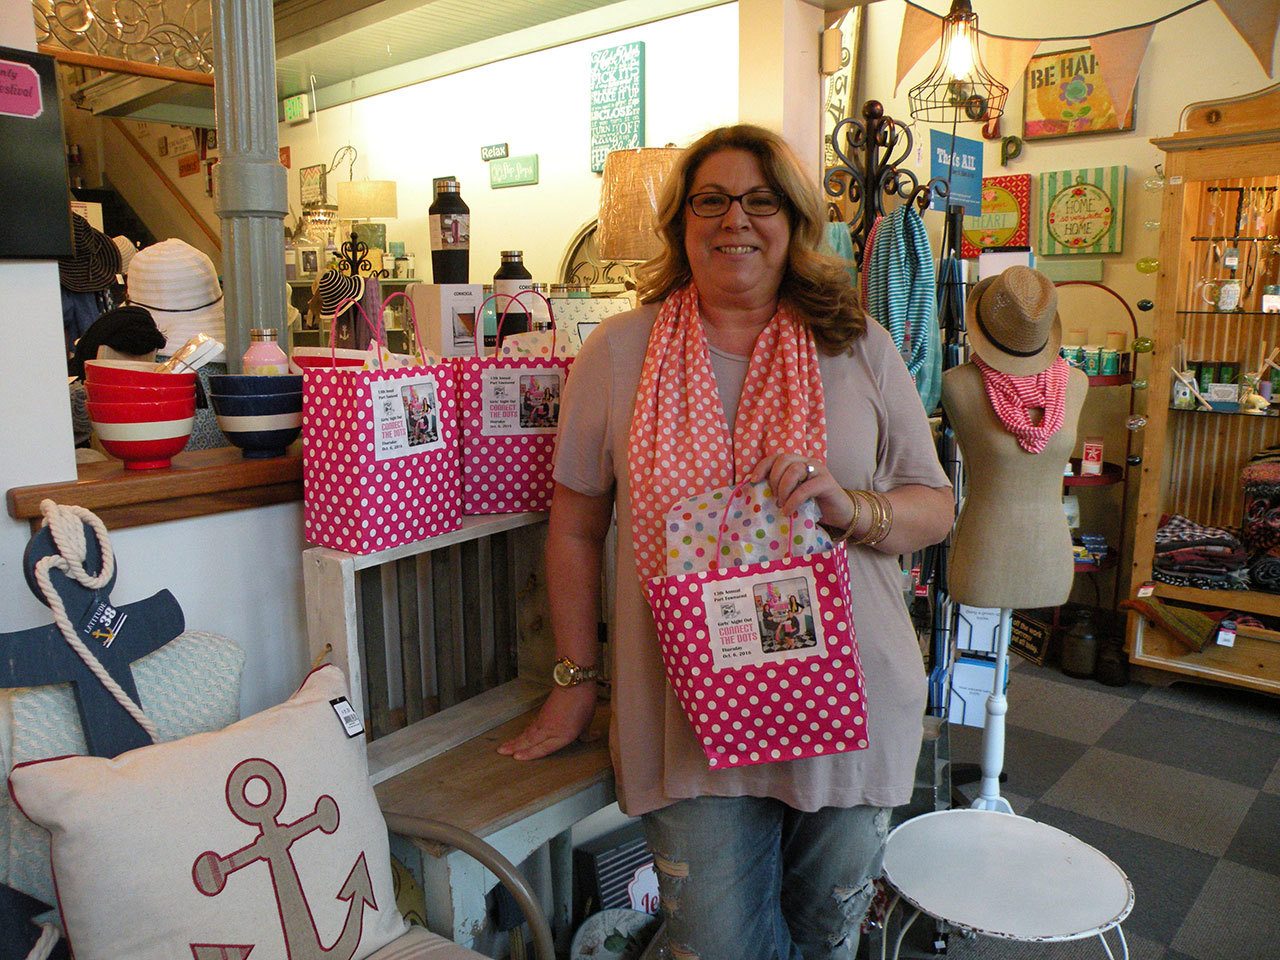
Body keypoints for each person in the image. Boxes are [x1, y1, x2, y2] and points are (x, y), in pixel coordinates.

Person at [499, 124, 954, 960]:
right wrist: (574, 679)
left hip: (849, 700)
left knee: (825, 939)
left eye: (761, 200)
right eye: (711, 200)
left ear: (794, 221)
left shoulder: (856, 347)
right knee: (711, 947)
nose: (735, 219)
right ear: (681, 222)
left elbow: (934, 504)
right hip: (685, 714)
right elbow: (572, 526)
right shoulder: (618, 353)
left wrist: (850, 507)